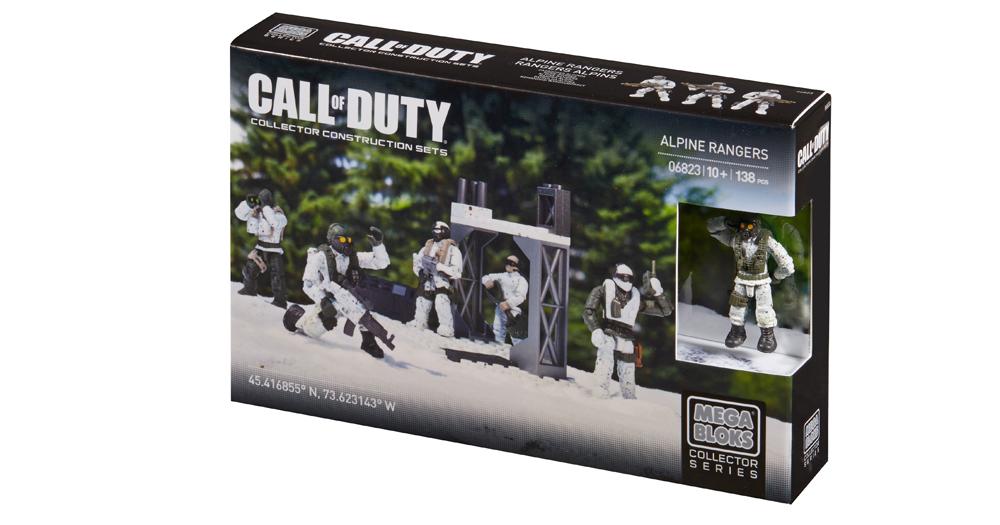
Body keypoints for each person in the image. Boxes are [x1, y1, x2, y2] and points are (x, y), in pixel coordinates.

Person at [290, 223, 393, 358]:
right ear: (332, 240)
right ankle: (296, 317)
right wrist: (323, 301)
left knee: (366, 313)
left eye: (348, 239)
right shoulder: (320, 257)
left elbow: (382, 263)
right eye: (342, 239)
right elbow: (308, 284)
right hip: (329, 300)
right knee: (313, 330)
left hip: (348, 297)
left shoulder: (352, 257)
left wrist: (378, 245)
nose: (347, 242)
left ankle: (369, 342)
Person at [707, 215, 795, 353]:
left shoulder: (767, 241)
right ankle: (737, 332)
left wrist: (776, 276)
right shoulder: (735, 239)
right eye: (743, 226)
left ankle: (768, 336)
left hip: (761, 282)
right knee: (736, 309)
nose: (745, 230)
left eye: (749, 226)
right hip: (741, 281)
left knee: (764, 311)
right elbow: (712, 229)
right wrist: (725, 222)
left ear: (757, 226)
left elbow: (787, 264)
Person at [583, 264, 672, 399]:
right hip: (609, 332)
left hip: (627, 337)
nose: (626, 281)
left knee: (628, 367)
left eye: (629, 278)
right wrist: (595, 329)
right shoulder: (603, 289)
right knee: (605, 355)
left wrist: (658, 292)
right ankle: (600, 387)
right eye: (623, 278)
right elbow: (588, 311)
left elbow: (665, 310)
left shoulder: (636, 298)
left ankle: (629, 396)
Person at [407, 221, 463, 337]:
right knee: (422, 300)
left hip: (441, 280)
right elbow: (417, 263)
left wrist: (440, 267)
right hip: (427, 279)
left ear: (445, 231)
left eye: (439, 230)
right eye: (435, 230)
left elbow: (457, 272)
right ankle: (419, 322)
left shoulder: (452, 250)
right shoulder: (427, 247)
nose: (436, 233)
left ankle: (446, 327)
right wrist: (420, 272)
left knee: (441, 301)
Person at [234, 189, 288, 308]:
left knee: (277, 275)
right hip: (260, 247)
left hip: (274, 250)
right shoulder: (259, 214)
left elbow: (274, 223)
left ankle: (280, 300)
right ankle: (249, 288)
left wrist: (266, 209)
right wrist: (250, 208)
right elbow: (245, 221)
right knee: (250, 268)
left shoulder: (278, 214)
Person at [481, 255, 529, 344]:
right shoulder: (502, 275)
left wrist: (508, 303)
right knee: (497, 331)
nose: (507, 265)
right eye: (506, 262)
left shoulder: (521, 280)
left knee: (516, 335)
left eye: (511, 263)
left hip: (513, 310)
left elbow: (521, 296)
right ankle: (498, 348)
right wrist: (487, 281)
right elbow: (486, 277)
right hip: (500, 308)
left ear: (516, 266)